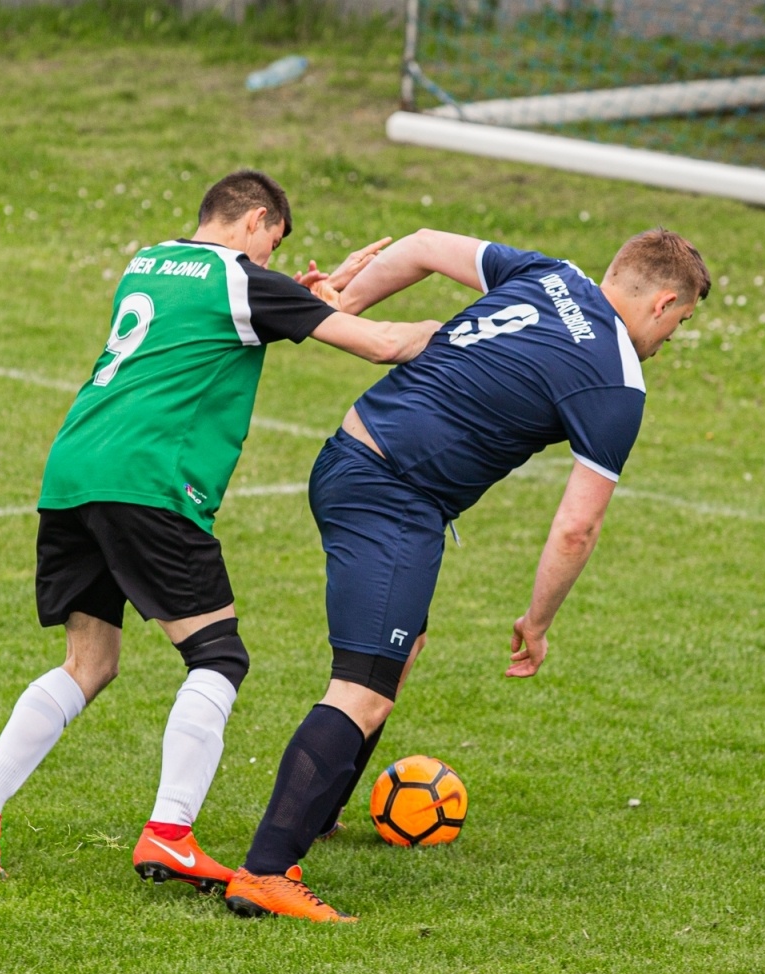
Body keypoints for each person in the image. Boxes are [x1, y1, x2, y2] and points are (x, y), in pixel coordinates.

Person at [0, 170, 439, 889]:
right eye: (272, 244)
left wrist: (296, 296)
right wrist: (465, 336)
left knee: (89, 664)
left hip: (73, 472)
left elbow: (212, 322)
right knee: (218, 657)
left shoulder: (149, 261)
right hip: (151, 483)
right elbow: (383, 344)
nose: (269, 258)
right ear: (255, 219)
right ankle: (170, 833)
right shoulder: (244, 280)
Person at [224, 226, 710, 921]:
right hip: (391, 494)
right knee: (362, 691)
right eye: (680, 322)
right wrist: (537, 622)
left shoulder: (550, 272)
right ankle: (266, 873)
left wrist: (345, 303)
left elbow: (423, 243)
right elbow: (577, 527)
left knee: (399, 655)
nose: (669, 340)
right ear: (663, 303)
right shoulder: (616, 380)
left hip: (352, 462)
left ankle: (315, 814)